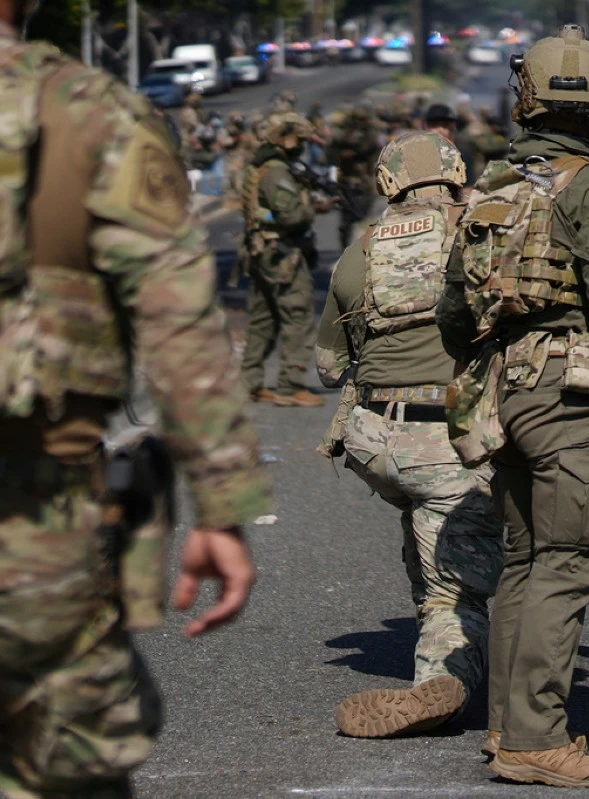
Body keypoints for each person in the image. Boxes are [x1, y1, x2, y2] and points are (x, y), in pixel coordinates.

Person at [0, 6, 268, 796]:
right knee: (66, 764)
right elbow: (181, 324)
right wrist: (222, 507)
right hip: (33, 520)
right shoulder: (85, 110)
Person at [437, 24, 589, 788]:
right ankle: (534, 737)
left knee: (527, 557)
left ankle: (508, 720)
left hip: (499, 394)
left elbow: (450, 311)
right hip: (565, 397)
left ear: (525, 95)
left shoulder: (491, 186)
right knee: (570, 559)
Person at [315, 131, 504, 739]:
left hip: (374, 443)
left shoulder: (359, 251)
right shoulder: (477, 233)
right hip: (447, 441)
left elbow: (326, 366)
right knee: (457, 590)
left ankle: (433, 605)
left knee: (423, 521)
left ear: (387, 182)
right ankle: (439, 682)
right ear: (454, 175)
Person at [239, 111, 332, 407]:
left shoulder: (263, 167)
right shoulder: (277, 172)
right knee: (298, 317)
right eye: (300, 139)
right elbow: (291, 214)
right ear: (286, 138)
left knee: (264, 319)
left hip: (262, 252)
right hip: (282, 254)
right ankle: (290, 386)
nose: (302, 145)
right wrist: (312, 208)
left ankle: (249, 383)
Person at [329, 104, 379, 250]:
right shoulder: (345, 133)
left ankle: (363, 250)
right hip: (346, 180)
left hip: (364, 181)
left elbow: (365, 148)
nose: (360, 122)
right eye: (357, 119)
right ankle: (346, 251)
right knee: (346, 221)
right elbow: (334, 151)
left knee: (364, 218)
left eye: (362, 119)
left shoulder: (370, 133)